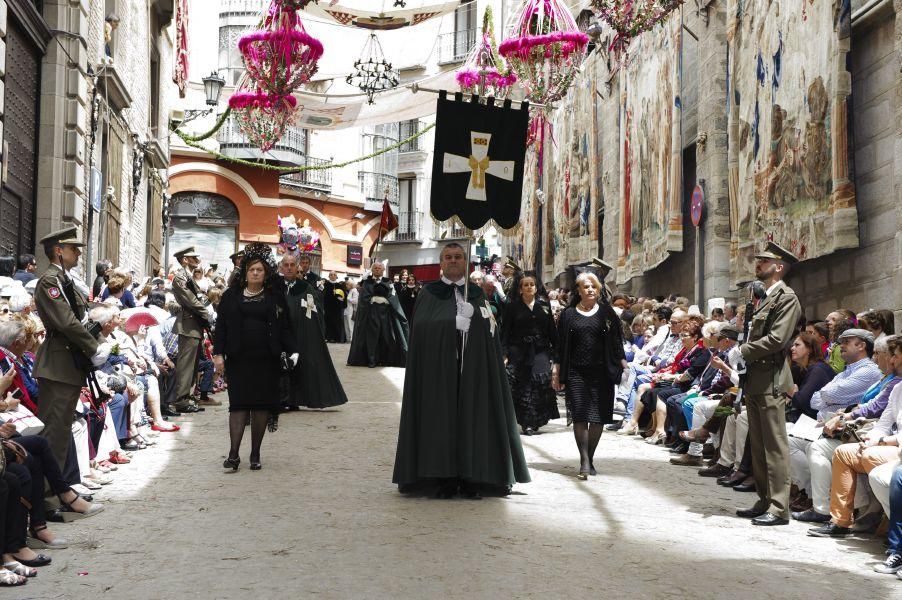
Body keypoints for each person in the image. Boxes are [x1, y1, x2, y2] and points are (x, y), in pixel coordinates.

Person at [393, 243, 530, 498]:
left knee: (472, 416)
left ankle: (472, 475)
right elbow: (421, 328)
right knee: (440, 419)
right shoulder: (429, 293)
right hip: (437, 369)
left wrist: (474, 321)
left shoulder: (476, 293)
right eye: (448, 257)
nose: (453, 261)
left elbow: (491, 328)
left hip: (472, 368)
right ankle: (441, 476)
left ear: (465, 262)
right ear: (441, 263)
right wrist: (451, 323)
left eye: (458, 257)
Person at [807, 336, 902, 539]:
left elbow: (873, 410)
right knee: (843, 452)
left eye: (893, 355)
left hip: (894, 447)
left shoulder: (882, 377)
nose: (890, 360)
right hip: (885, 443)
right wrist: (872, 439)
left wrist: (879, 441)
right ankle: (840, 521)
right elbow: (884, 422)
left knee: (869, 459)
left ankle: (883, 520)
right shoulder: (896, 387)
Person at [735, 241, 803, 526]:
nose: (758, 264)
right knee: (759, 445)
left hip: (771, 378)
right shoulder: (763, 298)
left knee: (774, 446)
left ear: (778, 266)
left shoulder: (787, 298)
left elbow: (777, 340)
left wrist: (743, 351)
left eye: (763, 261)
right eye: (758, 260)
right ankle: (764, 499)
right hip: (754, 378)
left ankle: (779, 507)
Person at [213, 244, 297, 471]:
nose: (256, 273)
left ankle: (255, 453)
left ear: (266, 273)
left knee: (260, 407)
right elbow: (220, 327)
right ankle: (233, 454)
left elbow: (286, 326)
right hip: (238, 359)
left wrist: (293, 351)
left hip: (266, 360)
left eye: (260, 270)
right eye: (252, 270)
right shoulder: (231, 296)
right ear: (245, 272)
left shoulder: (274, 296)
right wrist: (218, 354)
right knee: (238, 406)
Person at [33, 227, 106, 469]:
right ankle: (50, 497)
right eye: (73, 248)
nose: (78, 253)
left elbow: (81, 317)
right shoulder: (50, 282)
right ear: (58, 251)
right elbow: (65, 321)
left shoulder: (65, 280)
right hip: (57, 363)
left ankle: (61, 488)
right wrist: (93, 347)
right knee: (54, 431)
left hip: (68, 363)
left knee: (62, 431)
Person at [552, 272, 626, 479]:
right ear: (579, 290)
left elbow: (616, 340)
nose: (590, 289)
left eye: (594, 286)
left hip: (602, 372)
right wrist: (556, 369)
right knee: (580, 415)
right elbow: (560, 345)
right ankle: (584, 462)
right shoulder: (568, 315)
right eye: (586, 286)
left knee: (598, 418)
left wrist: (623, 362)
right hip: (576, 372)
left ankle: (590, 457)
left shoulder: (606, 313)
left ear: (598, 289)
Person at [278, 254, 348, 411]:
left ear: (298, 268)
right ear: (281, 267)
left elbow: (314, 308)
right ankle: (281, 399)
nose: (289, 268)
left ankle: (294, 399)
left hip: (299, 332)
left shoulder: (305, 287)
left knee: (300, 364)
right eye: (286, 265)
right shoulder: (274, 287)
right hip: (279, 333)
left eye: (292, 265)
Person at [501, 273, 559, 436]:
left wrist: (556, 354)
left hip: (540, 351)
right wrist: (504, 353)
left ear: (536, 287)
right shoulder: (512, 307)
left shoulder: (544, 306)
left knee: (540, 384)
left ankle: (535, 421)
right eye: (525, 285)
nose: (529, 287)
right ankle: (526, 422)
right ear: (520, 289)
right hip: (518, 351)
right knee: (522, 386)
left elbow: (552, 332)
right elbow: (505, 331)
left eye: (531, 284)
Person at [171, 246, 212, 412]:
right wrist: (207, 314)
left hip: (194, 325)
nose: (198, 260)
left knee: (193, 366)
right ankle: (181, 400)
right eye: (193, 258)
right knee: (186, 366)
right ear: (185, 259)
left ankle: (187, 398)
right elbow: (190, 300)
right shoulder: (180, 278)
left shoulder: (188, 277)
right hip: (188, 325)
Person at [346, 261, 408, 368]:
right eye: (375, 268)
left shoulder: (388, 282)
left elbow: (393, 297)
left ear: (384, 270)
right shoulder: (367, 283)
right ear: (372, 270)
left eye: (380, 268)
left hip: (386, 315)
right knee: (372, 338)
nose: (378, 269)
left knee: (386, 337)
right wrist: (372, 299)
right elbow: (363, 299)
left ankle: (385, 360)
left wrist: (386, 300)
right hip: (371, 315)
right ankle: (372, 360)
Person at [323, 272, 347, 343]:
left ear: (336, 277)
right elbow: (322, 296)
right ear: (328, 276)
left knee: (337, 323)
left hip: (337, 308)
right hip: (328, 307)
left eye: (334, 275)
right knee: (328, 323)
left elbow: (344, 296)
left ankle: (337, 338)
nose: (332, 276)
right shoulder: (325, 285)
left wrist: (343, 303)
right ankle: (328, 337)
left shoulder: (340, 285)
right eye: (331, 275)